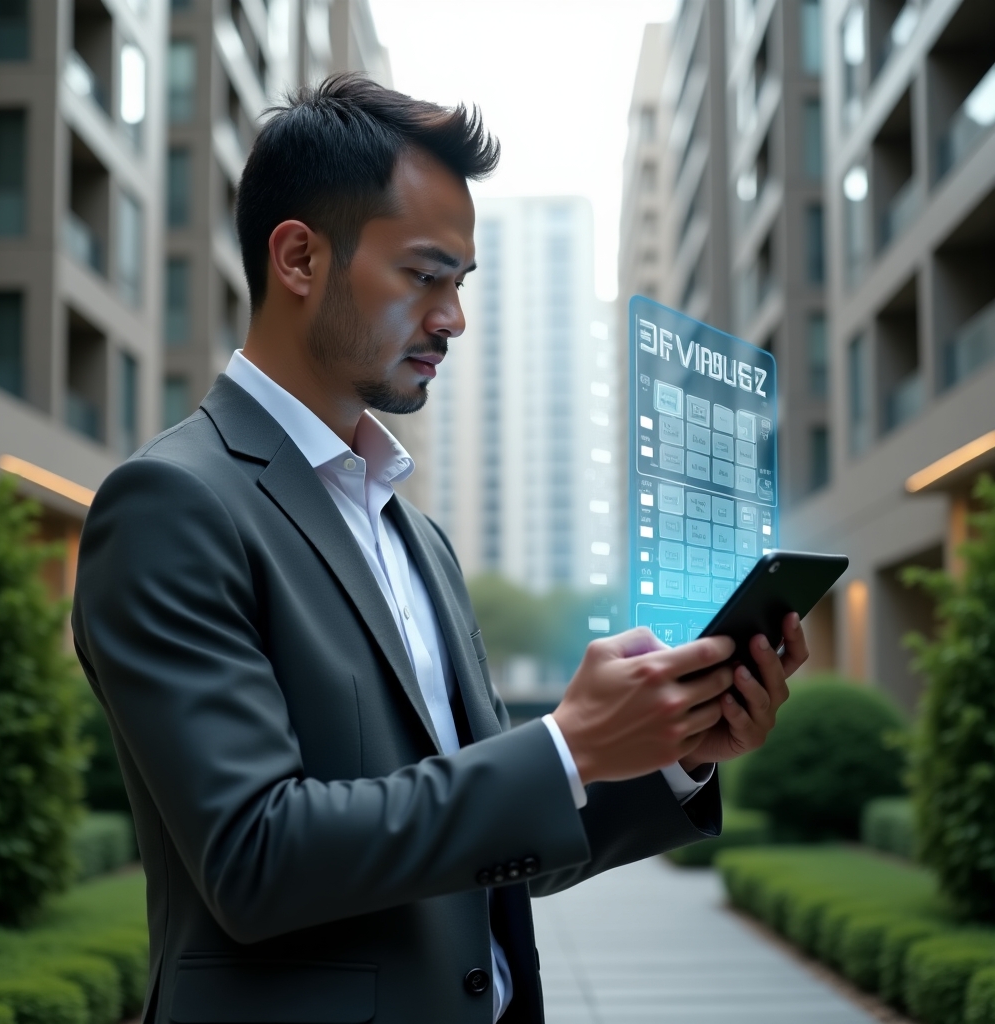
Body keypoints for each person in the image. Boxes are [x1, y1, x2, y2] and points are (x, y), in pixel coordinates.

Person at [72, 74, 808, 1024]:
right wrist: (563, 746)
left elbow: (485, 839)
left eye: (459, 284)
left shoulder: (416, 536)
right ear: (298, 258)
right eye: (424, 277)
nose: (452, 319)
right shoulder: (173, 503)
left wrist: (666, 753)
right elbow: (253, 856)